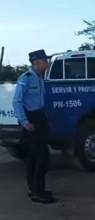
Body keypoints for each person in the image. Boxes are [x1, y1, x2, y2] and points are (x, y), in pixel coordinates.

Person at [13, 49, 56, 204]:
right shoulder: (26, 78)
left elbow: (40, 102)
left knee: (35, 157)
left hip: (39, 117)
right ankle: (38, 192)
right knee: (40, 157)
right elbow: (17, 101)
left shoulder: (39, 78)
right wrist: (24, 122)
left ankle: (36, 190)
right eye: (45, 61)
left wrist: (45, 120)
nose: (47, 63)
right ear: (37, 62)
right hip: (31, 119)